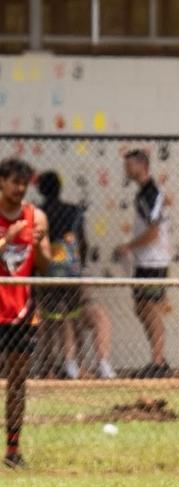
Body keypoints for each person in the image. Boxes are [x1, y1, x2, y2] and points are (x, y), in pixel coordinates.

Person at [36, 171, 116, 380]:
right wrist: (76, 261)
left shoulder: (38, 212)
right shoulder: (73, 212)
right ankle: (75, 364)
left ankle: (47, 365)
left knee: (48, 318)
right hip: (71, 272)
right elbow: (83, 243)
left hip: (45, 273)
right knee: (72, 314)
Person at [0, 157, 51, 468]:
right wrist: (8, 238)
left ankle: (13, 450)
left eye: (24, 183)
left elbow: (44, 266)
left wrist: (40, 243)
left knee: (17, 382)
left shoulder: (36, 216)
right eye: (14, 182)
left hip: (22, 312)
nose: (20, 189)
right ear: (1, 182)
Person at [114, 149, 171, 378]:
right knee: (141, 307)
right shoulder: (142, 193)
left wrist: (128, 246)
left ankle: (158, 361)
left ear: (142, 165)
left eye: (130, 165)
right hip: (143, 260)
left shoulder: (151, 193)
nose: (126, 170)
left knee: (150, 308)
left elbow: (154, 231)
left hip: (154, 261)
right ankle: (157, 358)